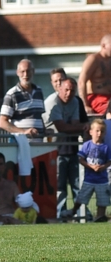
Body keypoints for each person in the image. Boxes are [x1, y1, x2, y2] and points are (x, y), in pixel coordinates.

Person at [43, 77, 88, 220]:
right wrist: (83, 127)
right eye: (66, 90)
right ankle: (57, 216)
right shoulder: (52, 102)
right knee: (59, 186)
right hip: (53, 150)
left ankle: (80, 215)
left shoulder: (75, 102)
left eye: (72, 90)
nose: (69, 93)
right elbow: (61, 127)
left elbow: (73, 124)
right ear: (59, 89)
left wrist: (76, 127)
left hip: (71, 148)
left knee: (76, 185)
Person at [0, 59, 45, 137]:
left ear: (33, 71)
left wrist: (45, 130)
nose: (25, 74)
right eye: (22, 71)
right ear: (17, 73)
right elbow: (2, 122)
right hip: (20, 144)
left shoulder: (39, 91)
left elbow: (39, 117)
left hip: (38, 145)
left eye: (28, 71)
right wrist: (24, 132)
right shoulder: (12, 94)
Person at [77, 119, 111, 223]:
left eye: (102, 131)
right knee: (82, 197)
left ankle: (100, 217)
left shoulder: (106, 147)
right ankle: (73, 212)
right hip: (89, 179)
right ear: (91, 132)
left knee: (102, 200)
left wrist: (103, 167)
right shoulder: (87, 145)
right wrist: (90, 166)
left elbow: (109, 161)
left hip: (102, 179)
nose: (99, 133)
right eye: (97, 131)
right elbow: (80, 158)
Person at [78, 35, 111, 115]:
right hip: (97, 98)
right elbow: (81, 82)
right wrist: (85, 105)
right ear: (104, 45)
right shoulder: (93, 59)